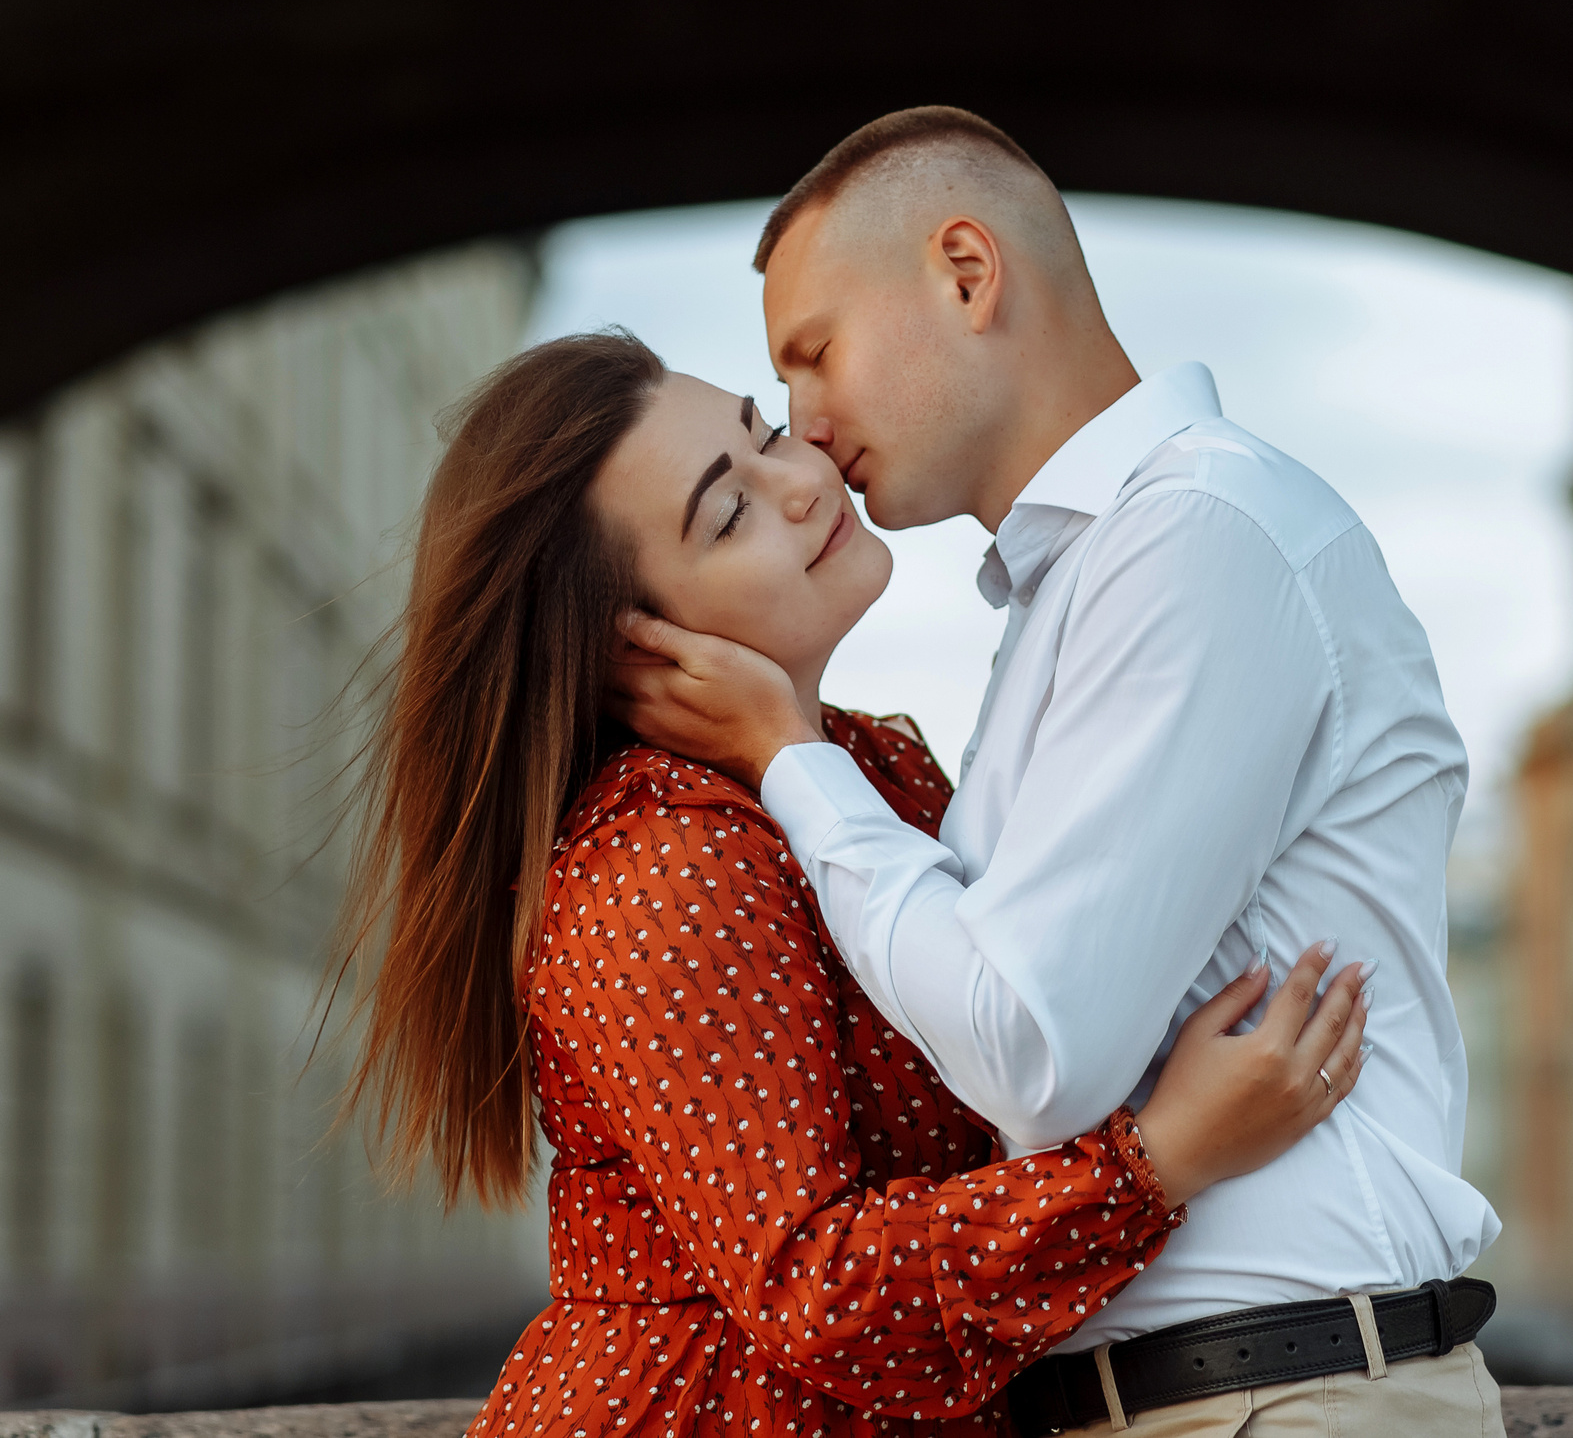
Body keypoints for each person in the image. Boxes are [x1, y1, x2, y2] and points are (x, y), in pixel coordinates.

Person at [615, 107, 1504, 1437]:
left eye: (813, 354)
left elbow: (1035, 1044)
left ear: (966, 273)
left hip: (1287, 1394)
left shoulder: (1201, 539)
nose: (804, 425)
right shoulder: (1080, 584)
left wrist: (790, 759)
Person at [340, 329, 1373, 1438]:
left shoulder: (869, 773)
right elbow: (818, 1288)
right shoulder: (662, 863)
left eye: (766, 432)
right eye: (727, 513)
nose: (796, 484)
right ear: (632, 648)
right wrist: (1159, 1161)